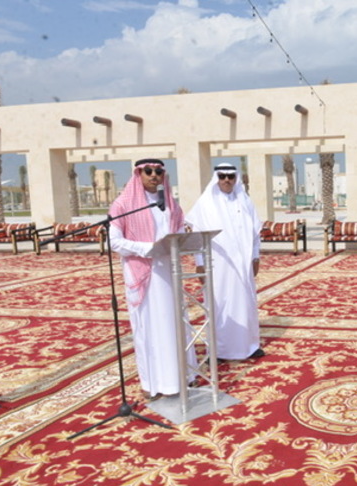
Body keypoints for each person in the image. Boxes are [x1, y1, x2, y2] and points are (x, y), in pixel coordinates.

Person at [109, 158, 196, 400]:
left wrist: (182, 239)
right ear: (139, 174)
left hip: (169, 271)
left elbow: (179, 232)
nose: (153, 175)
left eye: (158, 171)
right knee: (149, 328)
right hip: (143, 274)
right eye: (148, 171)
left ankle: (183, 376)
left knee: (173, 323)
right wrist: (147, 248)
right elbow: (114, 241)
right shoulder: (123, 204)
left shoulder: (170, 204)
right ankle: (153, 383)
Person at [186, 163, 265, 361]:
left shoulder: (245, 201)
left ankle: (250, 346)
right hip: (217, 264)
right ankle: (220, 350)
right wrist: (199, 262)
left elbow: (255, 233)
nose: (227, 180)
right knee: (220, 304)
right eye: (222, 176)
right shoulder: (205, 204)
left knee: (246, 303)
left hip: (243, 263)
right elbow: (197, 235)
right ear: (216, 178)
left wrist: (255, 256)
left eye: (230, 176)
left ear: (236, 178)